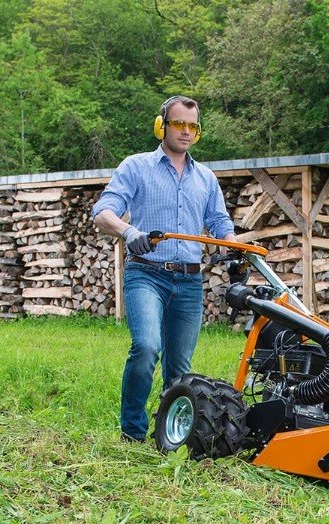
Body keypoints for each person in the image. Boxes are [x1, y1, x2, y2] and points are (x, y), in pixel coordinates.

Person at [92, 95, 237, 442]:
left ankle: (170, 437)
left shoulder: (205, 178)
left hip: (188, 281)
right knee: (145, 347)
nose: (185, 132)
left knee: (179, 370)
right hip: (146, 273)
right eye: (179, 124)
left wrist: (233, 247)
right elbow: (103, 212)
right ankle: (132, 432)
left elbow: (219, 221)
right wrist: (130, 232)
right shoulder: (136, 167)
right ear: (162, 126)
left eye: (192, 126)